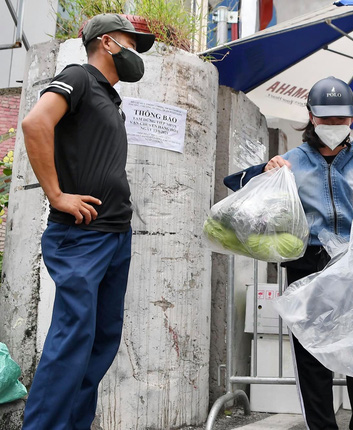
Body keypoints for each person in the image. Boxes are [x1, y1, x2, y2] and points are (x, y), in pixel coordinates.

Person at [224, 76, 353, 430]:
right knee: (311, 354)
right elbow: (236, 185)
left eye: (339, 120)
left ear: (352, 119)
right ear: (311, 116)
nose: (332, 126)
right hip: (307, 266)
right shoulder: (293, 160)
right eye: (325, 119)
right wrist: (265, 171)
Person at [20, 14, 154, 429]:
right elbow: (34, 123)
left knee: (100, 342)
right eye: (131, 43)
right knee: (72, 339)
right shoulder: (78, 76)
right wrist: (57, 195)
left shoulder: (109, 98)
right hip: (82, 236)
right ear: (108, 43)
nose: (136, 52)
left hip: (114, 235)